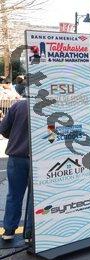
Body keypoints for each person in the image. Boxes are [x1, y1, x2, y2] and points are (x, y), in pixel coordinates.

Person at [1, 99, 33, 243]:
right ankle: (30, 233)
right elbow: (51, 133)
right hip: (37, 158)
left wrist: (16, 136)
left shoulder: (18, 106)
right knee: (35, 197)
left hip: (16, 156)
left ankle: (9, 230)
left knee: (14, 194)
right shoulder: (48, 108)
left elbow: (3, 129)